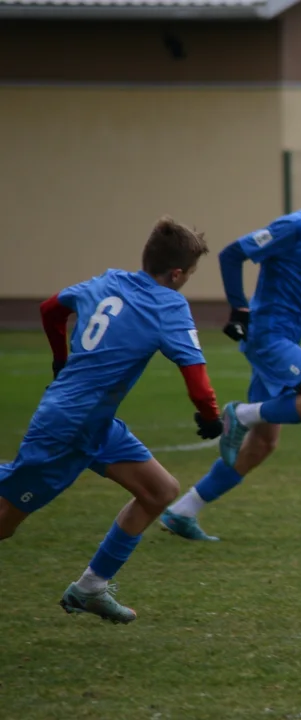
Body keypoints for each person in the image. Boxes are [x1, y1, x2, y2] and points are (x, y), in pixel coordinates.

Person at [0, 217, 223, 624]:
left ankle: (89, 588)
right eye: (189, 274)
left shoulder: (108, 282)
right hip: (67, 429)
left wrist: (60, 359)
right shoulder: (168, 303)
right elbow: (198, 381)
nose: (187, 282)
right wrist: (210, 417)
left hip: (95, 424)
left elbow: (50, 309)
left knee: (159, 490)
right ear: (176, 273)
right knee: (4, 523)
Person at [161, 154, 301, 541]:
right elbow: (233, 254)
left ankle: (183, 512)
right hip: (268, 335)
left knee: (263, 444)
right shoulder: (294, 227)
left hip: (286, 339)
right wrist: (239, 307)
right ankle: (241, 414)